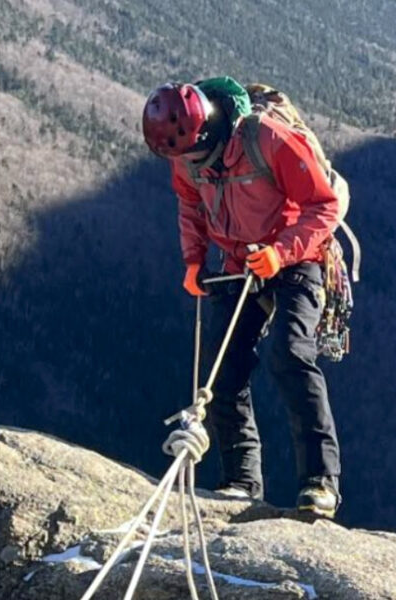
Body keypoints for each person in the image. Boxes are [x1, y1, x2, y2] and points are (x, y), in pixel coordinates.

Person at [141, 78, 342, 518]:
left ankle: (320, 482)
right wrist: (193, 261)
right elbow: (190, 204)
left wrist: (281, 252)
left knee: (290, 355)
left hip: (298, 258)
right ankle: (241, 481)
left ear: (210, 131)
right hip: (239, 262)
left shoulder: (267, 139)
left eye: (192, 154)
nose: (188, 164)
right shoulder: (187, 156)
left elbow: (323, 206)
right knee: (222, 370)